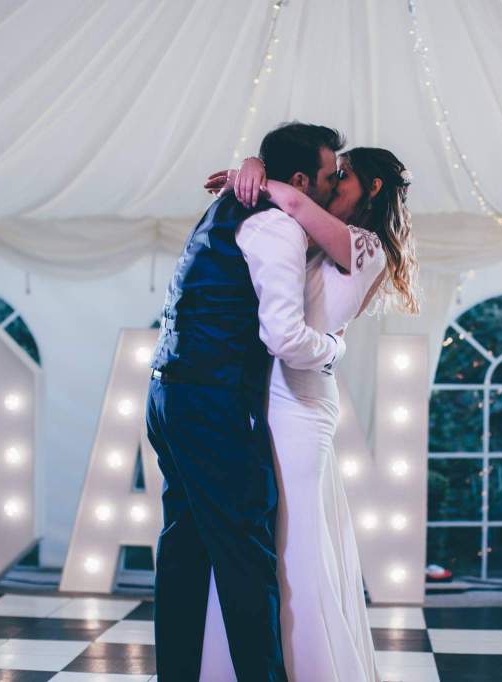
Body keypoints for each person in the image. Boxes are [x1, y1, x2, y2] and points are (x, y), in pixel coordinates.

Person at [199, 145, 420, 681]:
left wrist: (254, 177)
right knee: (265, 533)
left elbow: (295, 203)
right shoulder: (319, 238)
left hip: (301, 403)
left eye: (342, 176)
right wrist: (253, 166)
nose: (331, 184)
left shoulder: (365, 247)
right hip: (270, 393)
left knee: (294, 539)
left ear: (372, 188)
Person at [146, 121, 348, 681]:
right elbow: (284, 337)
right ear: (301, 180)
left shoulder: (223, 208)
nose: (335, 185)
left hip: (167, 393)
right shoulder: (277, 227)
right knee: (246, 560)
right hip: (213, 402)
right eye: (330, 176)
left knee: (184, 556)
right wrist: (333, 348)